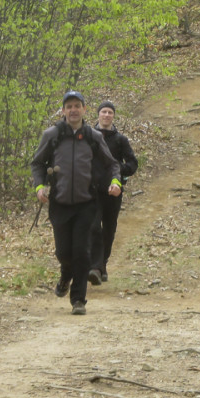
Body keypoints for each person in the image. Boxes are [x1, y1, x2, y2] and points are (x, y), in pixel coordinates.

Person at [32, 91, 121, 315]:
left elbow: (112, 164)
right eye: (69, 106)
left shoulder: (93, 136)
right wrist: (40, 186)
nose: (73, 110)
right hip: (60, 203)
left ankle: (78, 299)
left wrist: (115, 181)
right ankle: (65, 275)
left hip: (86, 203)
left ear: (84, 109)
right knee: (64, 252)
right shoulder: (52, 135)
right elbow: (37, 164)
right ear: (63, 111)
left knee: (81, 251)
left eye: (77, 106)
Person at [88, 101, 138, 287]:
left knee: (108, 229)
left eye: (110, 112)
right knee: (94, 228)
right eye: (104, 112)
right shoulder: (88, 137)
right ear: (98, 115)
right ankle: (95, 267)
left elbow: (133, 163)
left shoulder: (120, 140)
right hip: (91, 191)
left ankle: (102, 265)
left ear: (113, 116)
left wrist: (118, 171)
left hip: (113, 192)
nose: (107, 115)